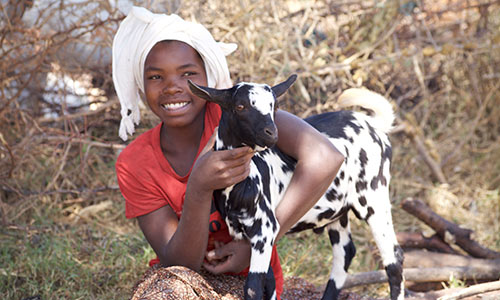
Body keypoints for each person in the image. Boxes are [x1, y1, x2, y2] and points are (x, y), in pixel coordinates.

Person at [113, 6, 344, 299]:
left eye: (188, 74)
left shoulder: (241, 116)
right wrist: (198, 187)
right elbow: (180, 265)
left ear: (208, 79)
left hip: (253, 278)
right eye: (156, 77)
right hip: (180, 283)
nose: (172, 87)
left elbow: (326, 156)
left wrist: (257, 243)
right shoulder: (135, 163)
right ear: (140, 84)